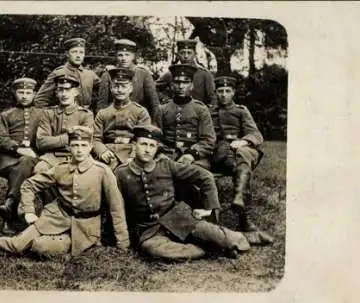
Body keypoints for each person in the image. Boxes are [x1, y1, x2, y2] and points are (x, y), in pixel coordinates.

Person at [0, 126, 130, 258]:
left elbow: (116, 208)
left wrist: (123, 243)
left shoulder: (102, 171)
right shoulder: (61, 169)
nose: (79, 150)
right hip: (55, 217)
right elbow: (29, 185)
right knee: (16, 244)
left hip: (85, 228)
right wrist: (29, 211)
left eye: (83, 145)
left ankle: (48, 241)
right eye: (75, 145)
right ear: (69, 147)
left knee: (41, 247)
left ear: (90, 147)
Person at [114, 125, 255, 260]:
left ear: (157, 148)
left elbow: (204, 176)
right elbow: (115, 207)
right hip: (148, 229)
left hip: (177, 217)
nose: (147, 150)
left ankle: (240, 239)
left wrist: (210, 209)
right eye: (143, 144)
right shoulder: (121, 173)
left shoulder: (166, 165)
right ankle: (210, 250)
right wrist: (121, 237)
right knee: (157, 251)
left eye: (152, 146)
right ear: (134, 145)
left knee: (217, 235)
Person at [210, 76, 273, 243]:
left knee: (244, 155)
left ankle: (240, 203)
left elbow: (256, 135)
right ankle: (240, 217)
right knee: (243, 162)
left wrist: (243, 141)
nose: (223, 95)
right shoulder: (209, 112)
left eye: (227, 91)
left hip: (238, 154)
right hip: (218, 156)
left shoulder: (241, 111)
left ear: (233, 93)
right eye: (220, 91)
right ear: (215, 92)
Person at [0, 77, 43, 232]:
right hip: (11, 159)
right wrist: (18, 149)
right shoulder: (6, 115)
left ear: (34, 94)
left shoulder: (42, 113)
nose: (24, 96)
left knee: (26, 163)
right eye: (20, 92)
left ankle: (10, 207)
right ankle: (13, 212)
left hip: (35, 156)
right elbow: (1, 138)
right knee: (22, 165)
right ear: (15, 93)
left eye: (28, 92)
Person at [153, 64, 216, 171]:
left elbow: (208, 140)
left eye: (185, 82)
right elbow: (155, 137)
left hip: (195, 157)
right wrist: (160, 152)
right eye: (177, 82)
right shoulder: (162, 109)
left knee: (193, 172)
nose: (181, 86)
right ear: (172, 85)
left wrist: (192, 154)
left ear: (191, 85)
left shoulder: (200, 109)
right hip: (167, 154)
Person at [34, 71, 94, 175]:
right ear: (56, 93)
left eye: (68, 89)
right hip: (52, 157)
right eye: (60, 90)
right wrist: (68, 137)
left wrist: (54, 140)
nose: (64, 94)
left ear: (76, 92)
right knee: (40, 170)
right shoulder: (49, 113)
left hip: (78, 156)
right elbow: (41, 142)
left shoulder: (85, 114)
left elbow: (87, 140)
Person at [93, 67, 151, 170]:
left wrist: (133, 156)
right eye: (116, 86)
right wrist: (102, 152)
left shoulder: (140, 112)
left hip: (131, 153)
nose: (119, 90)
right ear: (111, 88)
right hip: (108, 152)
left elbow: (143, 139)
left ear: (131, 88)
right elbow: (95, 138)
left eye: (124, 86)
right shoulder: (103, 113)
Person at [96, 39, 160, 117]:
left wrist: (155, 125)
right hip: (113, 118)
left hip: (138, 119)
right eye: (120, 55)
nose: (123, 58)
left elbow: (154, 102)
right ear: (116, 56)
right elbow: (102, 103)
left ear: (133, 56)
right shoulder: (108, 74)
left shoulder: (143, 74)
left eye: (127, 55)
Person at [34, 38, 100, 110]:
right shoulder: (59, 73)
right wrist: (52, 115)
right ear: (67, 54)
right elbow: (40, 100)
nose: (78, 55)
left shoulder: (90, 74)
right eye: (74, 52)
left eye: (81, 52)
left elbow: (107, 90)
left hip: (86, 117)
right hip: (64, 117)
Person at [156, 39, 216, 106]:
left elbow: (212, 97)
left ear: (195, 54)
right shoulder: (171, 74)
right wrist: (165, 99)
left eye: (189, 53)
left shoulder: (204, 74)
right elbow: (155, 88)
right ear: (178, 54)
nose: (186, 56)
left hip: (198, 112)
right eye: (182, 53)